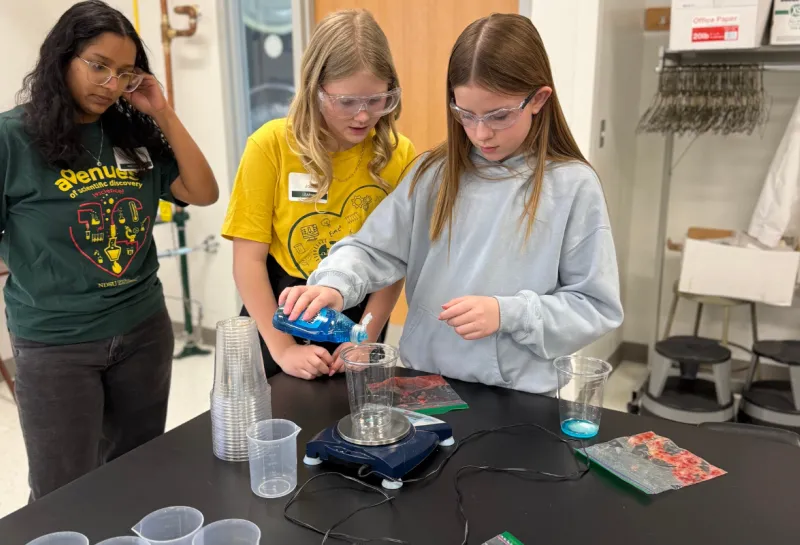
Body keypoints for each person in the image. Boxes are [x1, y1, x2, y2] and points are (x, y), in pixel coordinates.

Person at [279, 13, 623, 394]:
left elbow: (594, 306)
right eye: (465, 114)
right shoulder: (433, 174)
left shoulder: (572, 186)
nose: (480, 133)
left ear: (539, 99)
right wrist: (335, 285)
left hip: (518, 396)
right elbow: (372, 249)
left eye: (499, 116)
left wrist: (509, 314)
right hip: (423, 384)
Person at [0, 0, 218, 500]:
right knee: (62, 491)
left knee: (138, 474)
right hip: (57, 342)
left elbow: (202, 191)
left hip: (142, 330)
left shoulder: (129, 133)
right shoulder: (12, 137)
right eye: (98, 65)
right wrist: (40, 266)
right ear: (62, 59)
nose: (110, 84)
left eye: (124, 73)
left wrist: (161, 110)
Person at [222, 9, 415, 381]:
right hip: (280, 312)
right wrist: (283, 349)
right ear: (315, 88)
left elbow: (393, 263)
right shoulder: (271, 146)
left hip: (361, 313)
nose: (362, 116)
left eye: (377, 100)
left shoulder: (398, 154)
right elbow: (248, 262)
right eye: (346, 102)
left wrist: (367, 336)